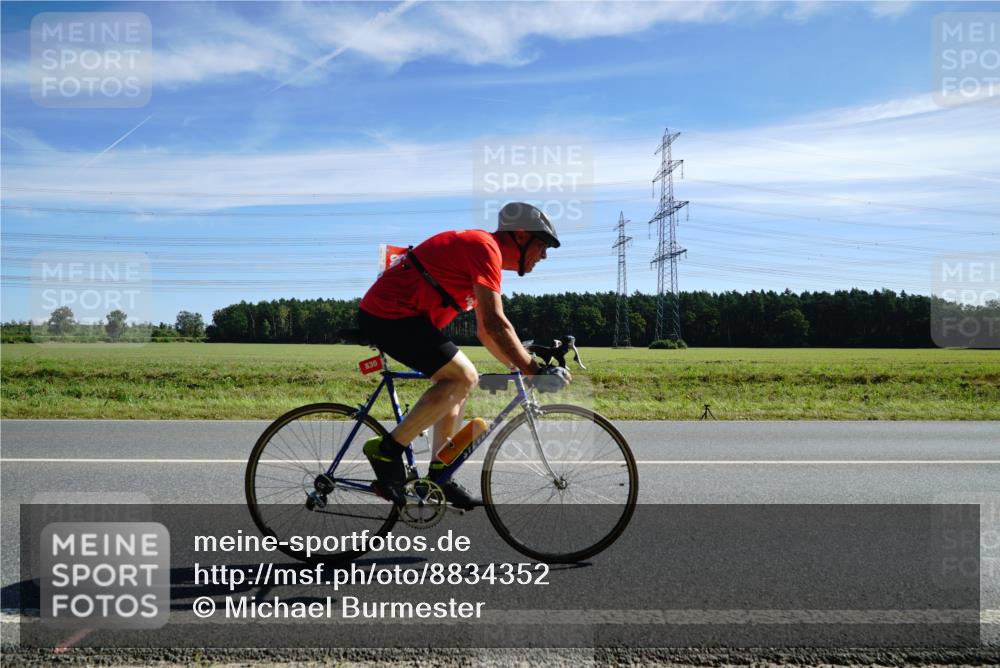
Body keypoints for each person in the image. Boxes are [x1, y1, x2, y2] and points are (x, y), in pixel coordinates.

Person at [357, 202, 571, 509]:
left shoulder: (487, 258)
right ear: (522, 235)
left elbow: (486, 331)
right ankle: (386, 450)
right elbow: (496, 325)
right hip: (390, 315)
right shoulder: (484, 247)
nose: (545, 255)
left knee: (458, 383)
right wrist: (532, 370)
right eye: (543, 245)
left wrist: (521, 364)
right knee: (464, 376)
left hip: (406, 318)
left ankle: (437, 479)